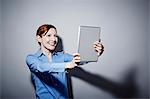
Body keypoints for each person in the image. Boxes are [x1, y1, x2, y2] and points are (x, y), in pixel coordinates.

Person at [26, 24, 104, 99]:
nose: (53, 39)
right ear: (39, 38)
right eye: (49, 35)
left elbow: (80, 60)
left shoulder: (62, 56)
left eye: (55, 35)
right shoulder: (31, 58)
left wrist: (94, 53)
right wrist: (67, 65)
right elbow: (41, 67)